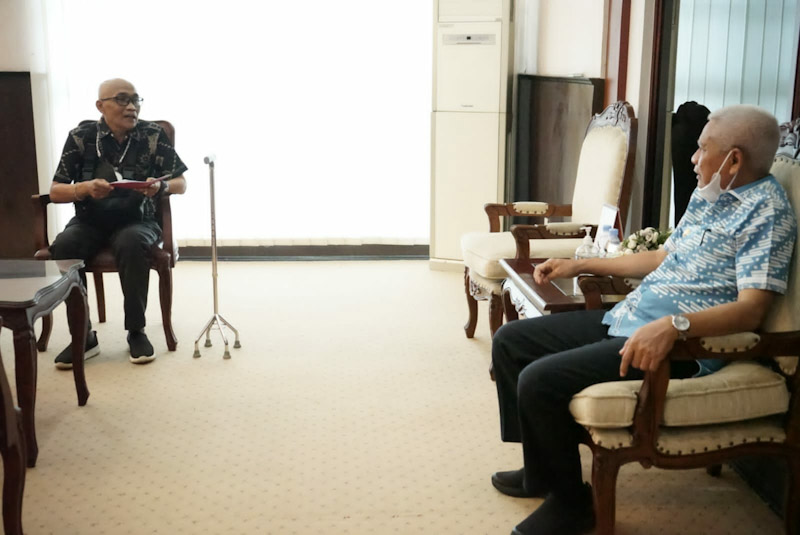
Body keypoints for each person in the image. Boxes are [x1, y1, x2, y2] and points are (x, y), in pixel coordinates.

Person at [490, 104, 797, 535]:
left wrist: (675, 327)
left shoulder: (767, 213)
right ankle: (540, 472)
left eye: (702, 149)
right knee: (510, 342)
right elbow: (662, 256)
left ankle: (573, 505)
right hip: (633, 315)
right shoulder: (710, 196)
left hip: (679, 345)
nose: (693, 158)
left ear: (734, 160)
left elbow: (752, 309)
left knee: (539, 381)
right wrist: (582, 265)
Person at [48, 78, 187, 368]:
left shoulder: (153, 135)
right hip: (90, 220)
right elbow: (56, 190)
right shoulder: (81, 137)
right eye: (122, 99)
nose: (131, 107)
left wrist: (159, 187)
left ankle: (136, 331)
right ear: (101, 106)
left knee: (131, 242)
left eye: (136, 100)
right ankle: (83, 334)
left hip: (139, 219)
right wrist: (84, 188)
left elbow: (180, 182)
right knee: (65, 245)